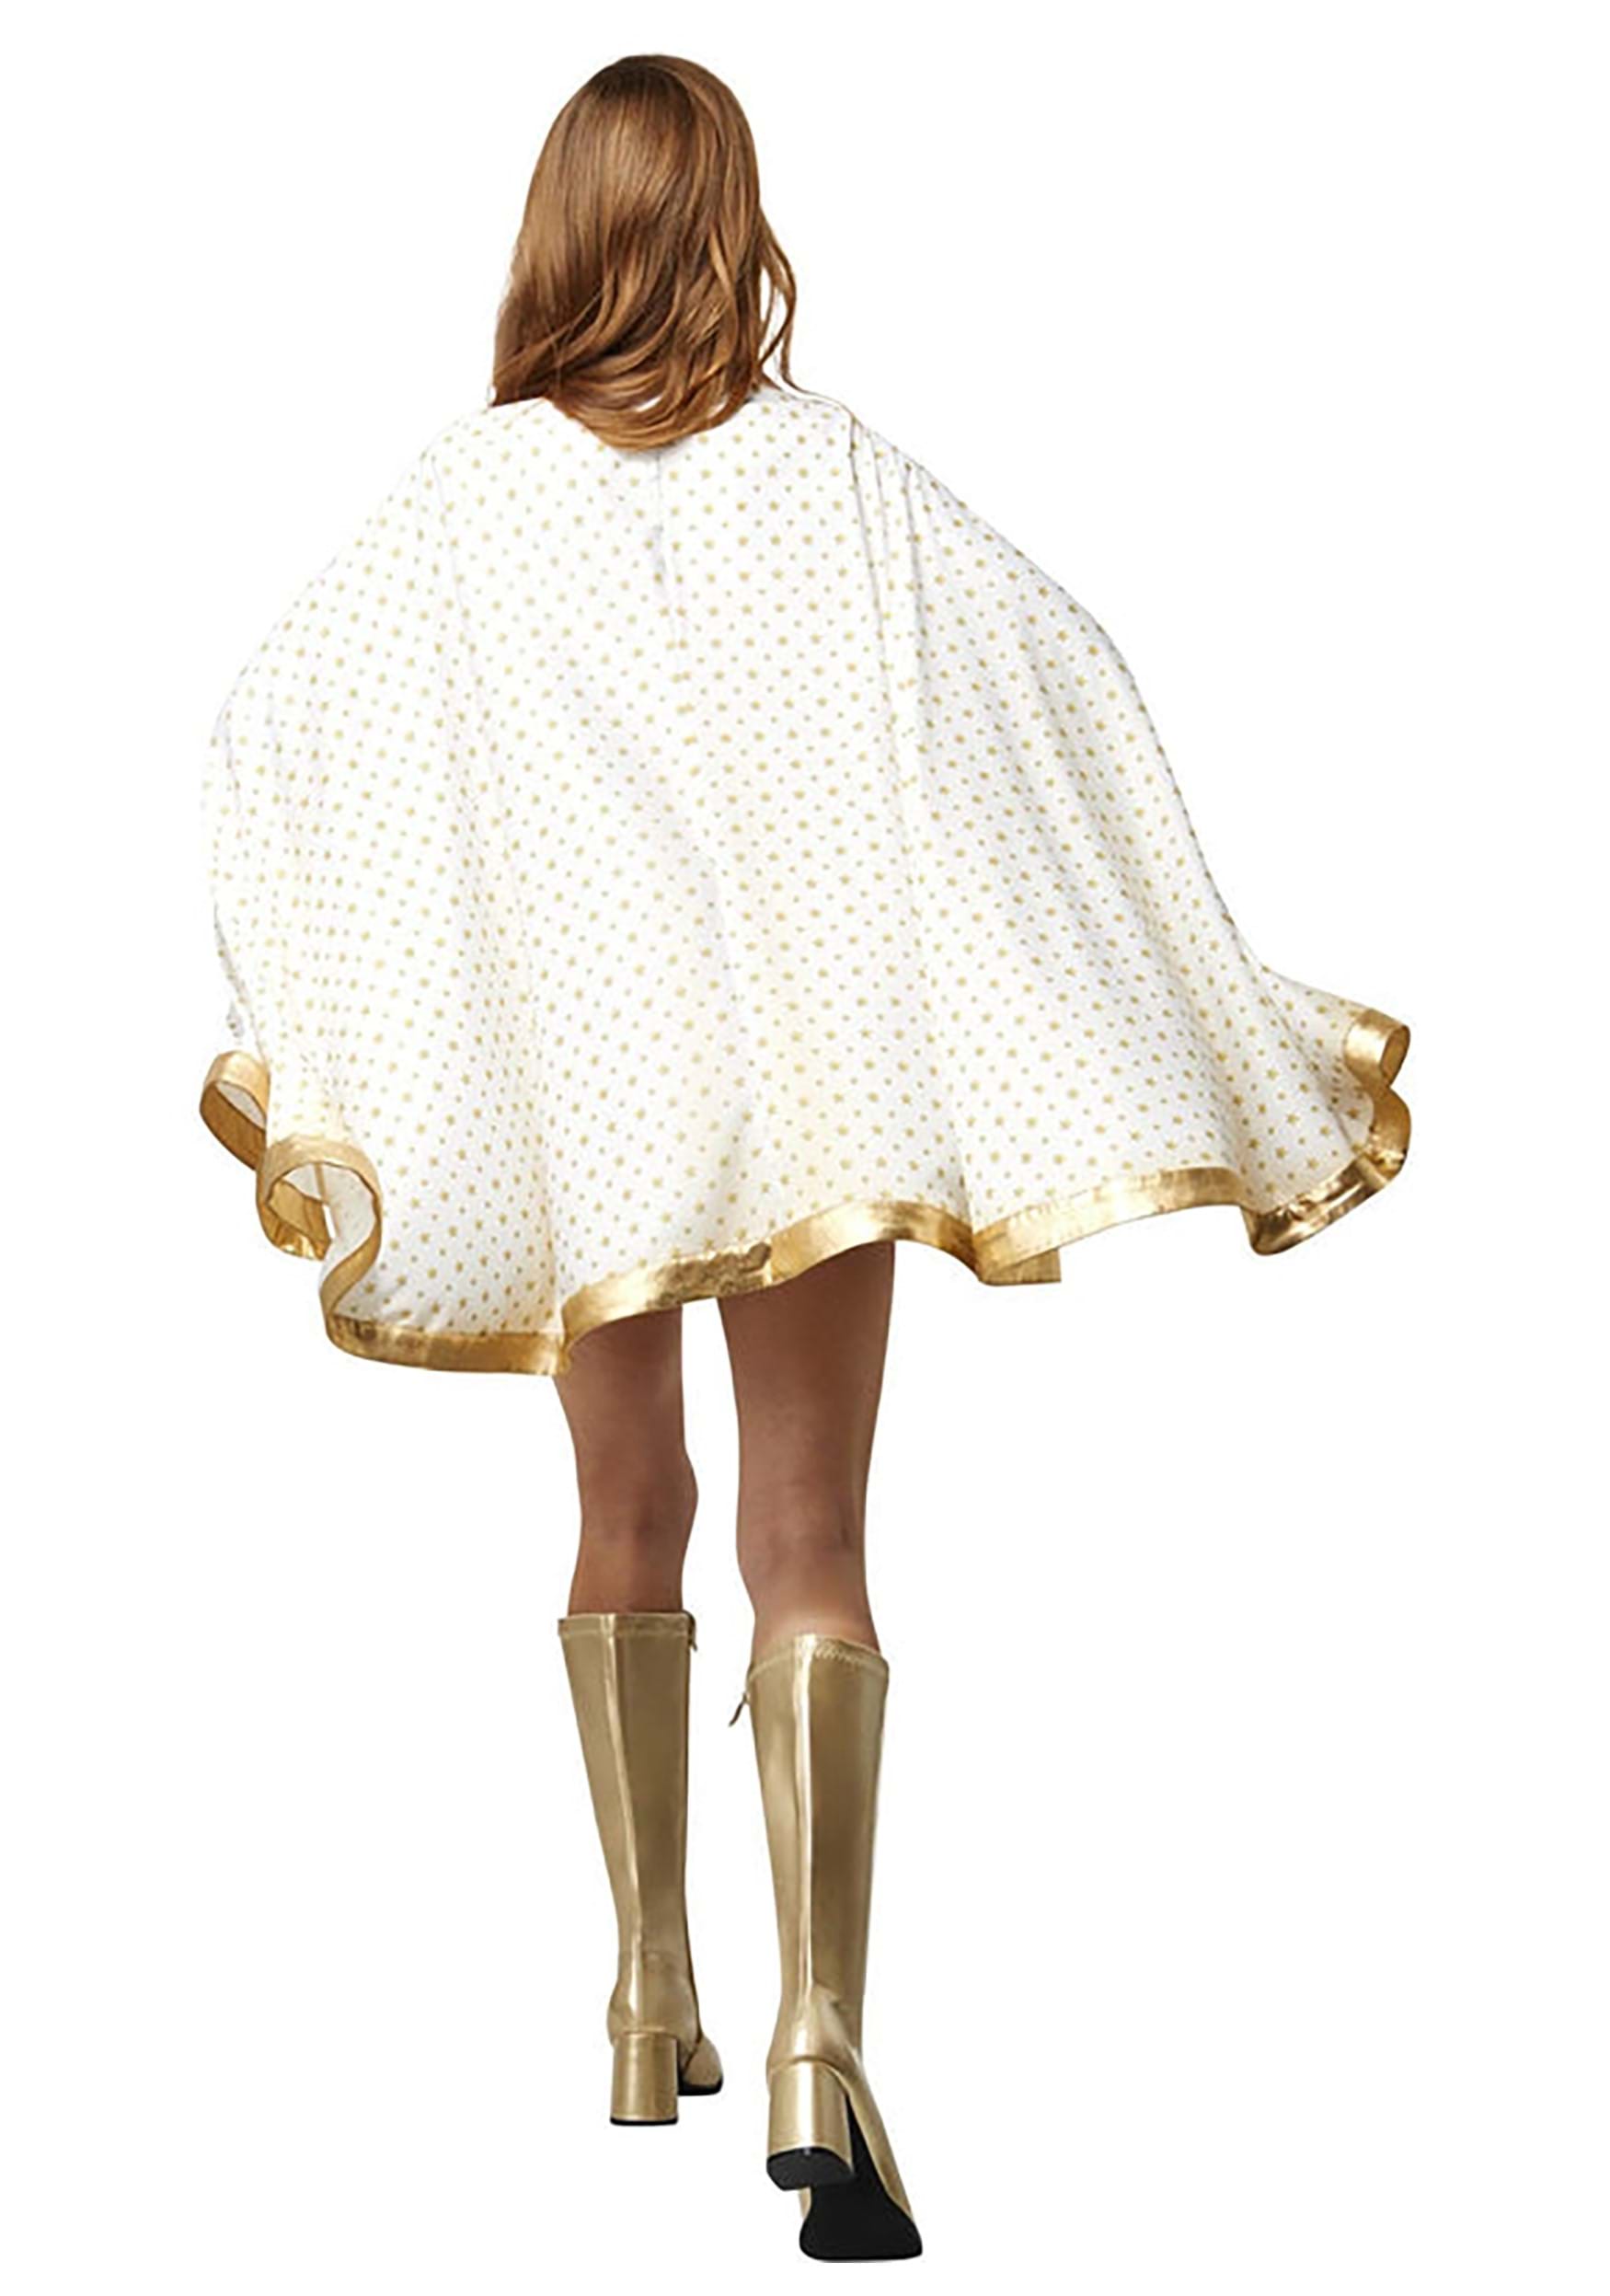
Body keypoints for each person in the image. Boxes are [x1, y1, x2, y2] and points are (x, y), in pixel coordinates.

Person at [194, 52, 1412, 2265]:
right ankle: (815, 2044)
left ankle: (639, 1989)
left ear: (557, 227)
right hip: (815, 1086)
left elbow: (271, 724)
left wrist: (358, 998)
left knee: (621, 1504)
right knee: (806, 1532)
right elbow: (1060, 667)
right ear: (730, 224)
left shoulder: (464, 501)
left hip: (588, 1090)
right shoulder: (835, 478)